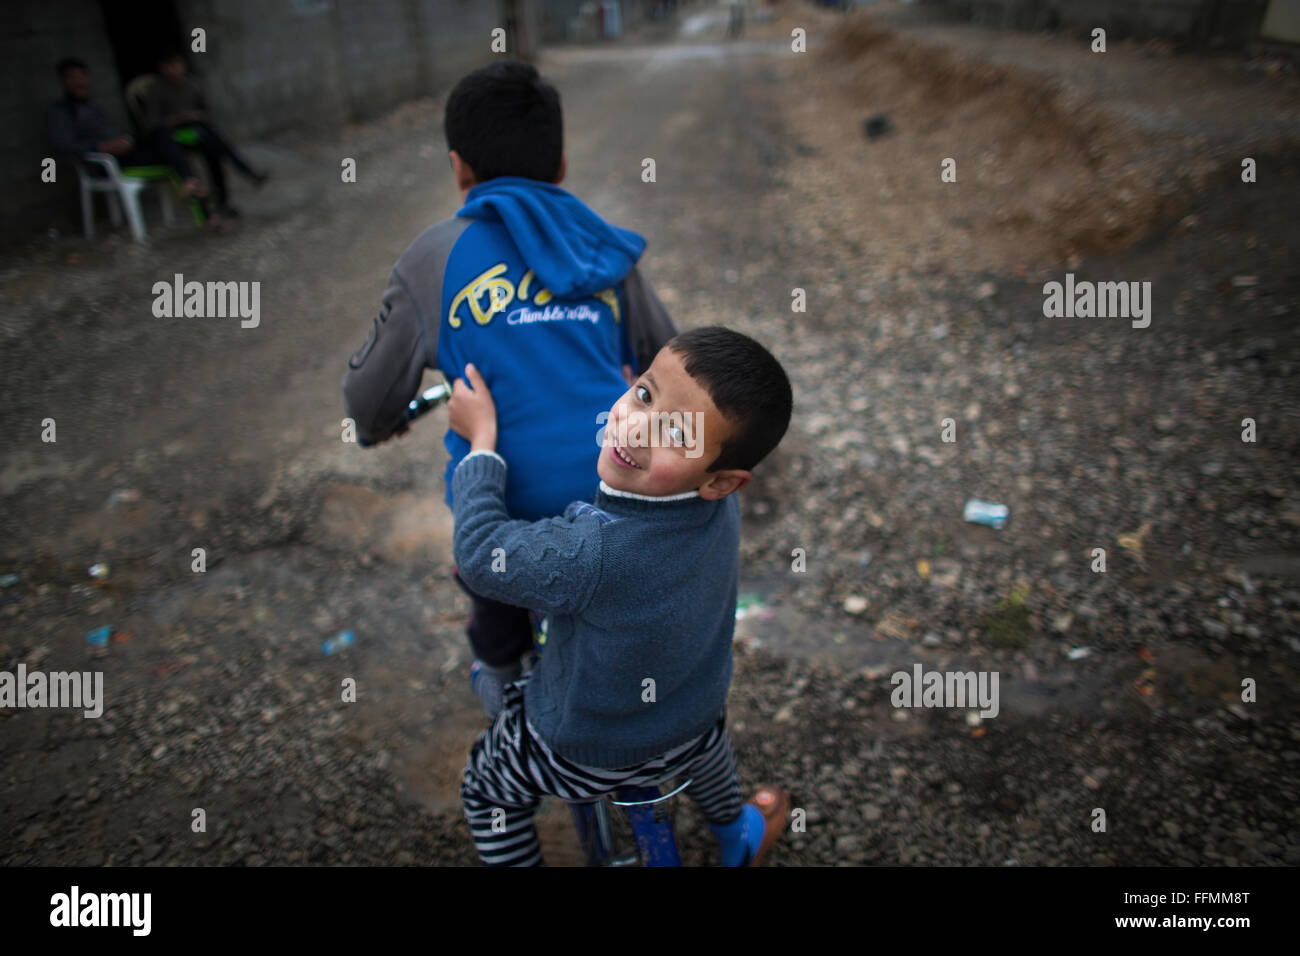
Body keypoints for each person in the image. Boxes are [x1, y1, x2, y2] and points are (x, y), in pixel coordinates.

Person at [341, 60, 679, 714]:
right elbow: (672, 360)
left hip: (505, 519)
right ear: (561, 166)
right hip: (618, 505)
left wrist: (377, 423)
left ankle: (503, 704)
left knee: (489, 582)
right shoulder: (604, 249)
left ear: (458, 167)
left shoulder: (432, 259)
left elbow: (367, 397)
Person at [445, 326, 794, 867]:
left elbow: (478, 553)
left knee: (486, 787)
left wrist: (481, 443)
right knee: (711, 745)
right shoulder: (721, 505)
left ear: (722, 480)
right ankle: (735, 837)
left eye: (677, 435)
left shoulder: (592, 551)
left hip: (584, 748)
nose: (634, 431)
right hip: (693, 715)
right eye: (645, 394)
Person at [47, 57, 204, 200]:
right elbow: (62, 145)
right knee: (173, 153)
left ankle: (193, 186)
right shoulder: (61, 112)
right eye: (72, 77)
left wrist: (125, 141)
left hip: (128, 154)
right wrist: (101, 147)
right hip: (106, 163)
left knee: (168, 137)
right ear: (63, 81)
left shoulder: (93, 108)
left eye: (82, 76)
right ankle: (193, 187)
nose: (79, 81)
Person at [142, 52, 268, 220]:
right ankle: (244, 175)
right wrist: (176, 119)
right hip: (171, 138)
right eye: (171, 66)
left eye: (179, 64)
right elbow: (152, 124)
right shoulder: (155, 89)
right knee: (209, 142)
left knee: (214, 144)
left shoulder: (191, 84)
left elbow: (205, 111)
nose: (177, 69)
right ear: (163, 68)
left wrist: (194, 116)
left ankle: (224, 200)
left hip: (195, 133)